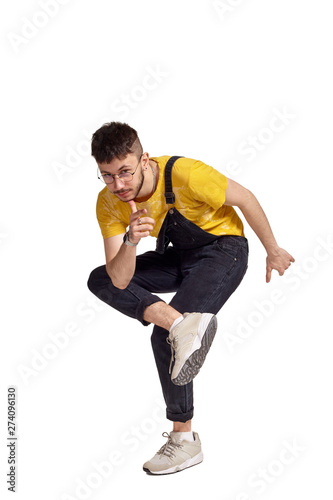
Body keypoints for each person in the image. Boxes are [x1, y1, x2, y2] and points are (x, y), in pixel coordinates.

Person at [87, 121, 294, 475]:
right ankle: (181, 325)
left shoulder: (185, 174)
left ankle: (184, 441)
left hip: (223, 250)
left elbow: (245, 198)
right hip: (179, 257)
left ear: (144, 160)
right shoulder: (108, 203)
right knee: (99, 278)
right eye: (107, 175)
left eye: (125, 172)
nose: (118, 185)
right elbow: (119, 279)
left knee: (162, 338)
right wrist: (131, 241)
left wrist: (273, 250)